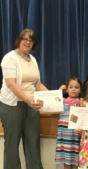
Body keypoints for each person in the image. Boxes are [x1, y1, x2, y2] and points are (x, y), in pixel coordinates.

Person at [0, 28, 47, 169]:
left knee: (33, 142)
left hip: (31, 105)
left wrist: (53, 95)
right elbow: (11, 84)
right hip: (12, 105)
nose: (27, 42)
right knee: (12, 143)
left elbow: (37, 84)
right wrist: (28, 100)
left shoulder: (32, 59)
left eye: (30, 40)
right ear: (19, 40)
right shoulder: (10, 57)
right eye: (24, 39)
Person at [55, 77, 82, 169]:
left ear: (80, 90)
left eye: (76, 87)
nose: (73, 89)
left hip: (75, 137)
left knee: (75, 161)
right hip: (64, 137)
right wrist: (59, 90)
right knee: (66, 162)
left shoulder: (80, 103)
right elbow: (53, 99)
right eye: (71, 87)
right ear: (67, 89)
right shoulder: (62, 102)